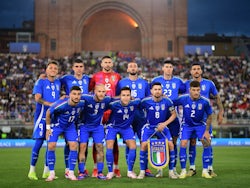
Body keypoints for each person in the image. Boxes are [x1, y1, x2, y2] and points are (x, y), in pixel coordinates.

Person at [185, 62, 224, 177]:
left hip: (205, 119)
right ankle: (192, 168)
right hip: (191, 119)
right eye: (194, 69)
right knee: (192, 142)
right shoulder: (186, 84)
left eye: (198, 69)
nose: (196, 71)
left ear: (201, 71)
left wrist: (221, 112)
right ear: (191, 72)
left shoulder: (209, 83)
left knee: (207, 142)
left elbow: (217, 97)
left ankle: (210, 169)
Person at [116, 61, 154, 177]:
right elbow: (118, 97)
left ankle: (145, 168)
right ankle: (129, 169)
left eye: (135, 66)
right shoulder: (122, 82)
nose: (133, 68)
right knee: (129, 143)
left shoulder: (144, 83)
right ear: (127, 69)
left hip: (141, 117)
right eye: (130, 66)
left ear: (138, 69)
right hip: (127, 117)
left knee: (144, 143)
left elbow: (148, 99)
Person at [151, 60, 186, 177]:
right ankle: (159, 168)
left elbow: (184, 93)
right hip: (159, 115)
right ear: (163, 68)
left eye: (171, 67)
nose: (169, 69)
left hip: (173, 115)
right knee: (160, 143)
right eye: (166, 66)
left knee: (173, 143)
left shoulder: (178, 81)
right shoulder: (156, 81)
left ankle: (173, 168)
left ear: (172, 69)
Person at [28, 60, 61, 180]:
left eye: (55, 68)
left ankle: (46, 171)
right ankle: (32, 171)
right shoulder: (40, 82)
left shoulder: (58, 82)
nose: (53, 70)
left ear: (57, 71)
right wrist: (50, 104)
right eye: (50, 68)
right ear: (46, 70)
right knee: (38, 143)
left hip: (52, 118)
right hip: (41, 117)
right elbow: (37, 98)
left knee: (50, 144)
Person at [137, 82, 178, 179]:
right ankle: (142, 172)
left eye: (159, 89)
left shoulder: (167, 101)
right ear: (151, 91)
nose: (157, 91)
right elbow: (137, 109)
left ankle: (171, 171)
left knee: (171, 145)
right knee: (143, 145)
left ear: (162, 90)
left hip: (163, 127)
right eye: (155, 89)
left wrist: (164, 124)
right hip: (149, 127)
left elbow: (174, 115)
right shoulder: (145, 101)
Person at [89, 55, 122, 177]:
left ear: (112, 64)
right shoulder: (95, 76)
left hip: (112, 112)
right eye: (105, 62)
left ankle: (116, 167)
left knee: (113, 142)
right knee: (96, 142)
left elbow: (120, 94)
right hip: (99, 112)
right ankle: (95, 168)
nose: (107, 64)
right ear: (101, 64)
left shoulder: (117, 76)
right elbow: (90, 91)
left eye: (109, 62)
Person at [174, 80, 213, 179]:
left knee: (206, 142)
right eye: (194, 90)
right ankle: (183, 171)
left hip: (200, 125)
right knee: (183, 144)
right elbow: (171, 103)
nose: (196, 92)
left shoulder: (205, 101)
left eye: (198, 90)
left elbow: (210, 115)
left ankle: (205, 171)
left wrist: (207, 131)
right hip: (186, 125)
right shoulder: (183, 99)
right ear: (189, 90)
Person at [45, 86, 85, 181]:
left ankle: (70, 173)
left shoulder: (82, 103)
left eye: (79, 94)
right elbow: (48, 112)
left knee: (74, 145)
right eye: (74, 94)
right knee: (51, 145)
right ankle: (51, 173)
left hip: (70, 127)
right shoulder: (61, 104)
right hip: (57, 126)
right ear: (70, 95)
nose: (76, 96)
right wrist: (48, 128)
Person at [60, 58, 90, 178]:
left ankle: (82, 168)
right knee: (69, 143)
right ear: (73, 68)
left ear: (84, 68)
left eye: (81, 66)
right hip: (70, 114)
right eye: (76, 66)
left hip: (84, 114)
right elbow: (55, 82)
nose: (79, 68)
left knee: (84, 143)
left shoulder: (88, 79)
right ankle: (68, 169)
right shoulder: (66, 78)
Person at [78, 84, 111, 180]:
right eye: (99, 91)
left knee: (100, 147)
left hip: (98, 127)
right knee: (82, 147)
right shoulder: (86, 98)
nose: (101, 94)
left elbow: (117, 100)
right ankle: (81, 172)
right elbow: (73, 97)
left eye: (103, 92)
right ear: (95, 91)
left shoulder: (107, 100)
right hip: (84, 126)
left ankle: (100, 172)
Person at [105, 87, 139, 180]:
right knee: (109, 146)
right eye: (123, 95)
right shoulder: (113, 104)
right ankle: (110, 172)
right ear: (120, 96)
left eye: (128, 95)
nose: (125, 97)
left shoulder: (135, 103)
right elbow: (102, 106)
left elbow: (145, 100)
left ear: (130, 96)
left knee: (133, 146)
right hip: (113, 127)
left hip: (126, 127)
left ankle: (130, 171)